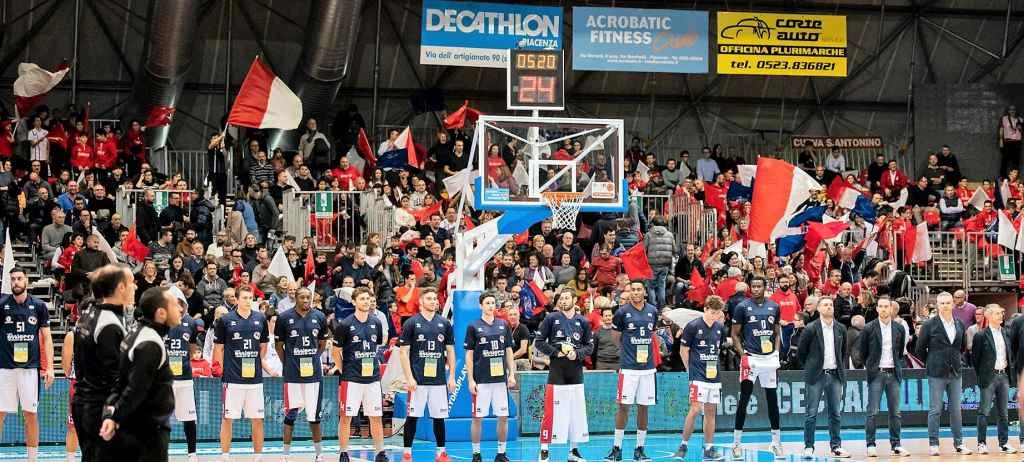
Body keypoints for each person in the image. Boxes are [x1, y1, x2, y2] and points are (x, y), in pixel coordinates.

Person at [98, 286, 180, 462]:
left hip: (137, 428)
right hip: (146, 433)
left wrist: (111, 414)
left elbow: (120, 382)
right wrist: (114, 417)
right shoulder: (150, 343)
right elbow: (136, 388)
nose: (180, 308)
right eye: (175, 305)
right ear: (161, 313)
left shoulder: (136, 333)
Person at [72, 264, 135, 462]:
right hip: (99, 407)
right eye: (131, 282)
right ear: (120, 288)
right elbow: (114, 376)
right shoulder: (109, 324)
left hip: (84, 402)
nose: (135, 287)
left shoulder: (89, 313)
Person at [0, 267, 54, 462]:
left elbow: (47, 338)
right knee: (0, 413)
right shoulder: (2, 305)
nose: (16, 282)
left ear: (26, 281)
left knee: (30, 415)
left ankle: (32, 459)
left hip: (29, 370)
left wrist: (50, 367)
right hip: (5, 368)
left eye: (19, 278)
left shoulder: (38, 306)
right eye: (13, 279)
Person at [534, 289, 594, 462]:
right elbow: (539, 342)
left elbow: (589, 346)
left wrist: (578, 354)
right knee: (550, 412)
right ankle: (544, 450)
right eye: (561, 298)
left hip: (575, 372)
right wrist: (555, 352)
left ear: (575, 300)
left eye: (567, 298)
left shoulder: (583, 321)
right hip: (557, 371)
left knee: (576, 413)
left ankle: (573, 451)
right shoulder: (551, 318)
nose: (563, 301)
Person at [213, 285, 270, 461]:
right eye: (244, 298)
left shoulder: (260, 318)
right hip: (232, 379)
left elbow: (263, 346)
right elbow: (218, 348)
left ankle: (258, 456)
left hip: (255, 380)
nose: (248, 301)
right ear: (236, 299)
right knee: (227, 418)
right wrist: (220, 367)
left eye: (250, 298)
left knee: (257, 419)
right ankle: (225, 455)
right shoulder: (225, 320)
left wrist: (256, 362)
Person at [399, 288, 456, 462]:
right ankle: (407, 453)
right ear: (421, 302)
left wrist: (452, 376)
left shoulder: (444, 323)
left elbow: (450, 351)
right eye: (429, 298)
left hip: (438, 380)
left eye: (435, 299)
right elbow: (403, 352)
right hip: (418, 380)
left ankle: (441, 453)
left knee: (439, 418)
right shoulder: (411, 323)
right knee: (413, 417)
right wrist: (409, 377)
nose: (433, 301)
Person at [729, 278, 784, 458]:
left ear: (765, 287)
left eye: (759, 286)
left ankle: (776, 442)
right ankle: (736, 444)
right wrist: (743, 355)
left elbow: (777, 333)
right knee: (744, 399)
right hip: (751, 358)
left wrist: (776, 352)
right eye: (753, 286)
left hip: (769, 359)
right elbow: (734, 334)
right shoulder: (742, 307)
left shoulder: (774, 306)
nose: (755, 289)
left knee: (772, 399)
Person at [332, 287, 388, 462]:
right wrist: (343, 370)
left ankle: (380, 453)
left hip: (372, 379)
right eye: (362, 299)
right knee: (346, 417)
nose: (366, 302)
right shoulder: (345, 324)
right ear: (354, 301)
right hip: (352, 379)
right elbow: (335, 351)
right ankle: (343, 453)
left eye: (368, 299)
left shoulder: (376, 323)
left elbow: (378, 345)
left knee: (376, 417)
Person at [604, 282, 658, 462]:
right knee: (623, 407)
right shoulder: (621, 313)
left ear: (644, 292)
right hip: (628, 368)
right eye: (633, 290)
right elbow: (616, 338)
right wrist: (628, 351)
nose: (635, 292)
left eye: (638, 289)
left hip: (648, 369)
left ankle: (640, 449)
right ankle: (616, 448)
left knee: (644, 407)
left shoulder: (653, 311)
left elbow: (652, 334)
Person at [274, 288, 330, 462]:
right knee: (290, 415)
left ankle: (319, 454)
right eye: (302, 297)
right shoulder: (284, 318)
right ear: (295, 298)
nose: (306, 300)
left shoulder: (319, 316)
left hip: (313, 375)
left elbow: (322, 344)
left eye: (308, 297)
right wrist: (288, 363)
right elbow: (279, 346)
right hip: (292, 375)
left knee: (314, 417)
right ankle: (285, 454)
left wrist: (314, 358)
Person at [914, 292, 970, 455]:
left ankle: (959, 443)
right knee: (935, 409)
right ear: (937, 305)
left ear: (953, 304)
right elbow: (919, 349)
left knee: (956, 410)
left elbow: (962, 347)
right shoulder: (929, 324)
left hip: (955, 372)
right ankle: (934, 444)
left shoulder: (959, 324)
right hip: (936, 373)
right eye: (942, 303)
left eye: (948, 303)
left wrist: (955, 360)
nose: (945, 306)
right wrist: (932, 361)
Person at [465, 291, 516, 462]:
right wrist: (471, 380)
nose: (490, 306)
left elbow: (509, 351)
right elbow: (469, 355)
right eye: (487, 303)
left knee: (503, 417)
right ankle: (476, 454)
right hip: (481, 380)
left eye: (493, 303)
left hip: (500, 381)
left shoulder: (503, 325)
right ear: (481, 305)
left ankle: (501, 453)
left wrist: (511, 374)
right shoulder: (473, 326)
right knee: (477, 418)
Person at [673, 295, 726, 461]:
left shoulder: (720, 328)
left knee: (711, 412)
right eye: (712, 312)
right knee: (695, 409)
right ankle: (683, 446)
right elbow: (683, 350)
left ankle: (709, 448)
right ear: (705, 309)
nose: (714, 315)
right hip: (697, 375)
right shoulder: (693, 326)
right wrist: (690, 370)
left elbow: (717, 349)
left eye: (717, 313)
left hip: (713, 375)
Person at [797, 297, 851, 458]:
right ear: (819, 308)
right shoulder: (811, 328)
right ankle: (808, 446)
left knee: (835, 413)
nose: (829, 307)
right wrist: (811, 367)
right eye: (825, 305)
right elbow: (801, 353)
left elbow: (843, 352)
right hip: (816, 375)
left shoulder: (841, 328)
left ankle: (836, 446)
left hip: (835, 375)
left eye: (831, 305)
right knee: (811, 413)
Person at [857, 296, 910, 457]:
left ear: (891, 309)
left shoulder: (899, 328)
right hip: (876, 374)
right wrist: (872, 367)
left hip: (893, 373)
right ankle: (870, 444)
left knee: (895, 412)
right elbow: (862, 352)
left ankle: (896, 444)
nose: (884, 309)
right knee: (872, 411)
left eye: (886, 306)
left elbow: (899, 352)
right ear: (877, 309)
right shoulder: (868, 328)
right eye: (881, 306)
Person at [971, 304, 1015, 454]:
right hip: (988, 376)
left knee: (1003, 412)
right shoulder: (981, 335)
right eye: (997, 313)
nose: (1000, 315)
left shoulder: (1007, 333)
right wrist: (982, 375)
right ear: (988, 316)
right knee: (984, 411)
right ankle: (981, 443)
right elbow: (975, 359)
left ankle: (1004, 443)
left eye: (1001, 313)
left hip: (1004, 376)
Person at [165, 285, 200, 462]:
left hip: (185, 378)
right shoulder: (160, 321)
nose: (176, 306)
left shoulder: (191, 323)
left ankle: (192, 454)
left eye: (179, 303)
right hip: (164, 379)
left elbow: (192, 348)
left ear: (183, 304)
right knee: (161, 418)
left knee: (189, 417)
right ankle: (160, 452)